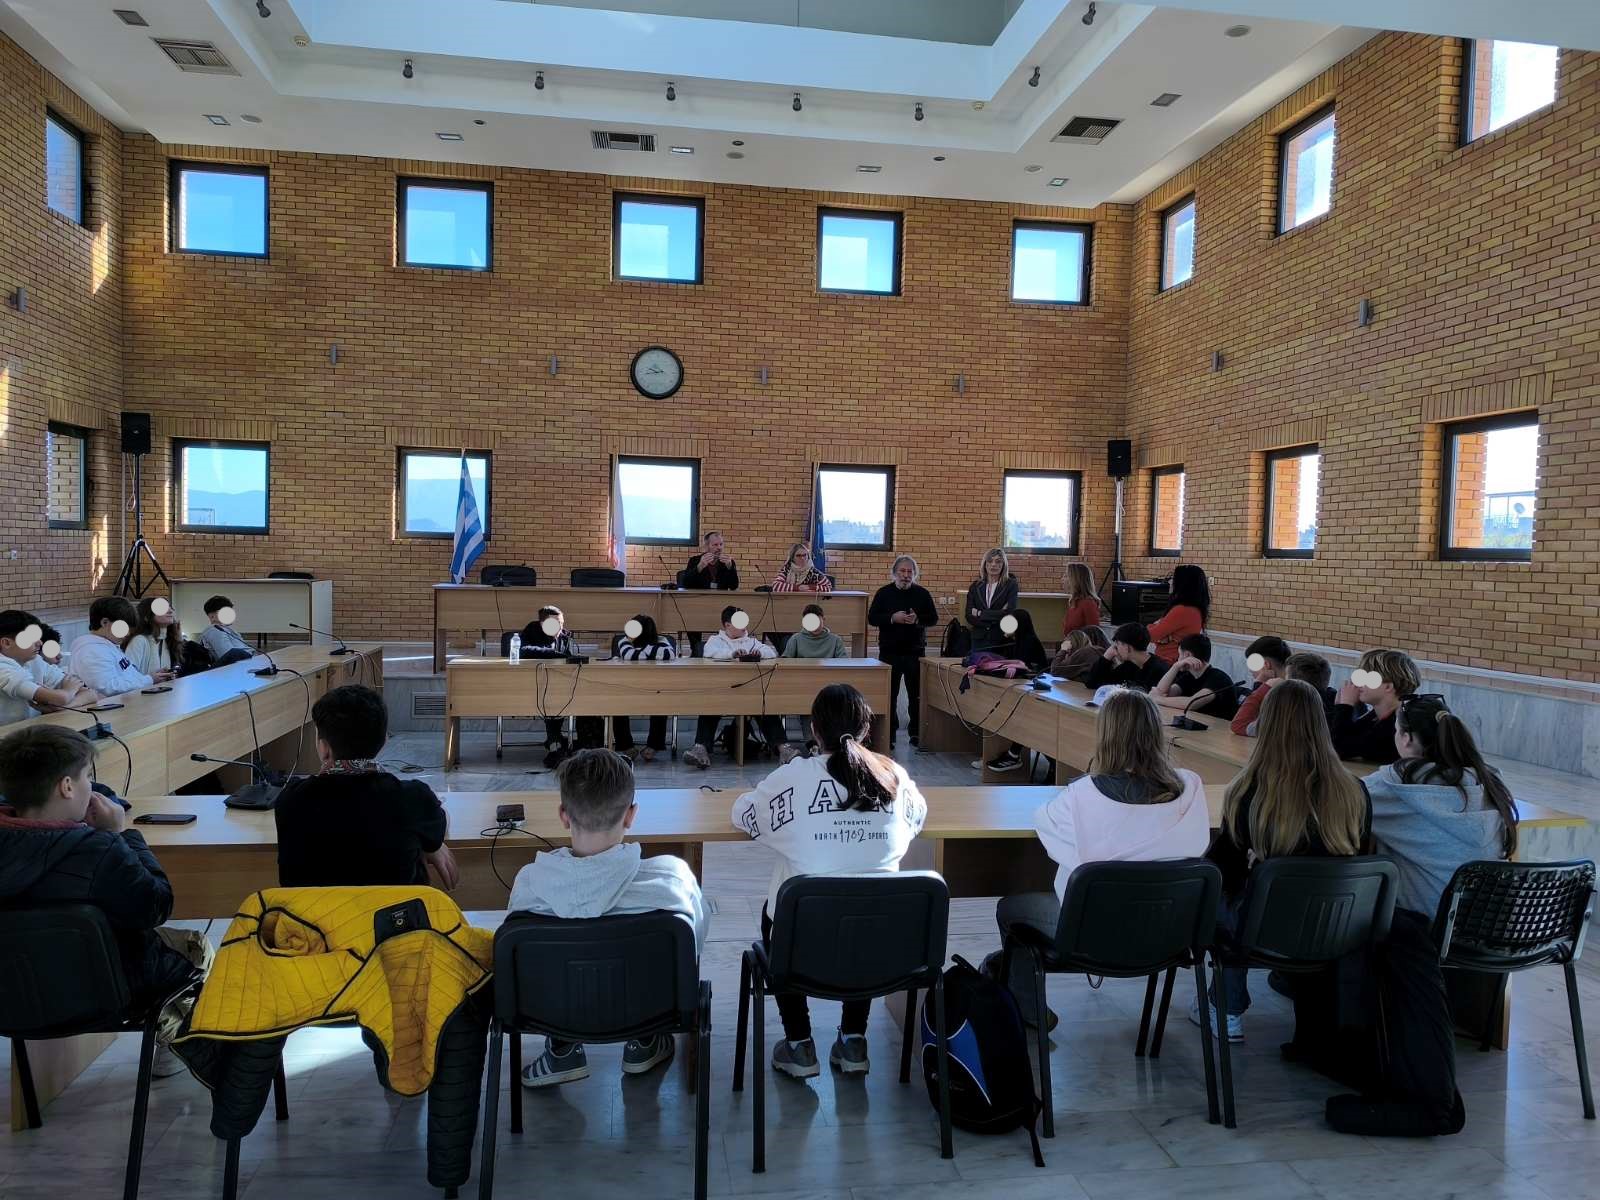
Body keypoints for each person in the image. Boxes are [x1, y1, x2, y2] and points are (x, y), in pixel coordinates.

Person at [732, 684, 927, 1078]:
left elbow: (743, 815)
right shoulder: (894, 775)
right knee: (865, 904)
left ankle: (799, 1043)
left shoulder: (793, 777)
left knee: (786, 898)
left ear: (814, 729)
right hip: (881, 950)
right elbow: (919, 818)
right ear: (867, 729)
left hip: (803, 950)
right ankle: (854, 1039)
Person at [0, 724, 212, 1076]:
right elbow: (156, 906)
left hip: (15, 999)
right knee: (195, 946)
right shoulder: (99, 849)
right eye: (87, 776)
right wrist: (121, 833)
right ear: (67, 787)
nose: (91, 785)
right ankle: (180, 1042)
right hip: (107, 996)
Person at [996, 688, 1209, 1026]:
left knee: (1010, 909)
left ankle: (1025, 1009)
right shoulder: (1191, 789)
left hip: (1093, 931)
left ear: (1105, 735)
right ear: (1157, 732)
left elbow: (1046, 827)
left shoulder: (1081, 796)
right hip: (1171, 932)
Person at [512, 748, 707, 1088]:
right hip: (648, 1007)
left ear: (563, 815)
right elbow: (693, 948)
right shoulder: (673, 881)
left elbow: (523, 965)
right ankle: (645, 1040)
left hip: (553, 1011)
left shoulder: (529, 885)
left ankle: (561, 1049)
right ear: (631, 815)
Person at [1201, 680, 1371, 1040]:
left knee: (1215, 890)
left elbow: (1226, 869)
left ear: (1267, 724)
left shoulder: (1247, 791)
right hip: (1339, 924)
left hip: (1266, 928)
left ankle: (1227, 1007)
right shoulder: (1355, 791)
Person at [274, 684, 458, 891]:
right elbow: (438, 829)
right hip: (391, 912)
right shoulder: (413, 799)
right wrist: (432, 845)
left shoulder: (291, 800)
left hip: (311, 912)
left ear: (324, 748)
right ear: (384, 741)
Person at [1368, 695, 1517, 919]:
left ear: (1406, 738)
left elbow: (1339, 804)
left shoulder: (1393, 784)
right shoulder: (1489, 783)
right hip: (1491, 927)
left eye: (1396, 731)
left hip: (1424, 927)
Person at [684, 605, 782, 770]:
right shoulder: (715, 640)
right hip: (722, 691)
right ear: (727, 625)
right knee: (709, 708)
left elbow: (771, 652)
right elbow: (709, 652)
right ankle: (701, 748)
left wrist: (760, 654)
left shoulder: (751, 641)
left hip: (750, 692)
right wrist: (732, 654)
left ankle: (783, 748)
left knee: (764, 705)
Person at [867, 555, 939, 747]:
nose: (906, 575)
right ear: (894, 573)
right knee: (889, 695)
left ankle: (916, 733)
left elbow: (933, 618)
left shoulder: (922, 593)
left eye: (910, 572)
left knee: (916, 695)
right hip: (889, 651)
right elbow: (872, 618)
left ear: (914, 574)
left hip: (915, 652)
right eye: (902, 571)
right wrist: (892, 618)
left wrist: (918, 619)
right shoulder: (883, 593)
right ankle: (889, 735)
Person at [518, 605, 598, 768]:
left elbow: (569, 661)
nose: (561, 628)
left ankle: (580, 745)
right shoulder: (531, 631)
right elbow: (523, 651)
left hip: (561, 685)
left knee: (582, 696)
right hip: (534, 685)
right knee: (551, 699)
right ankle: (555, 744)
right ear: (542, 624)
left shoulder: (565, 637)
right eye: (556, 624)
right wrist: (555, 654)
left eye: (561, 623)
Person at [0, 609, 96, 724]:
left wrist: (63, 706)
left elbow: (90, 694)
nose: (40, 643)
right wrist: (69, 691)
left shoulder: (34, 660)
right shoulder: (3, 667)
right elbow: (61, 698)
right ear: (6, 643)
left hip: (34, 728)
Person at [1331, 649, 1421, 763]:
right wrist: (1341, 705)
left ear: (1388, 687)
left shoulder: (1397, 725)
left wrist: (1345, 706)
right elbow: (1347, 737)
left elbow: (1338, 749)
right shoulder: (1377, 716)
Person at [69, 596, 170, 695]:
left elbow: (127, 677)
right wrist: (149, 679)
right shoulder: (90, 651)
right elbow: (108, 687)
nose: (127, 634)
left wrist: (152, 677)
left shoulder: (107, 646)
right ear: (105, 622)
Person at [610, 614, 676, 762]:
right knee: (617, 703)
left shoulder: (662, 640)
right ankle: (626, 746)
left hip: (655, 686)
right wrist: (651, 652)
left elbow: (669, 654)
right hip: (627, 685)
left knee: (661, 702)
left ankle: (654, 746)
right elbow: (629, 655)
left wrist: (643, 649)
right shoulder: (624, 640)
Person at [1234, 651, 1336, 736]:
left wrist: (1264, 688)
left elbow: (1239, 725)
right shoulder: (1333, 707)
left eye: (1285, 676)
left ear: (1291, 684)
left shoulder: (1285, 717)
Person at [1151, 633, 1240, 720]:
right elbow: (1162, 692)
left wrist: (1158, 699)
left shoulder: (1218, 678)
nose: (1178, 659)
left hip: (1221, 728)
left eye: (1179, 654)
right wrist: (1175, 667)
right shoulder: (1189, 676)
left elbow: (1191, 703)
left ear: (1187, 655)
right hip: (1199, 724)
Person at [1148, 564, 1210, 664]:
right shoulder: (1195, 609)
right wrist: (1162, 634)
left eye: (1173, 578)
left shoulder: (1182, 610)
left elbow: (1149, 636)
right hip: (1176, 663)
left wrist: (1153, 626)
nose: (1170, 581)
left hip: (1168, 663)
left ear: (1184, 583)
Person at [1229, 636, 1291, 735]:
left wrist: (1259, 685)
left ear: (1266, 665)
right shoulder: (1297, 686)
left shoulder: (1283, 693)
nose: (1250, 670)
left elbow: (1239, 724)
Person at [965, 548, 1020, 652]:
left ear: (1003, 565)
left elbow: (1009, 612)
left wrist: (980, 613)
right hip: (979, 638)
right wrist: (991, 622)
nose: (993, 564)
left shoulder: (1010, 585)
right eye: (990, 561)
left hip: (1000, 638)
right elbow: (969, 615)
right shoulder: (975, 586)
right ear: (985, 564)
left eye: (998, 561)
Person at [1084, 622, 1167, 690]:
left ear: (1127, 647)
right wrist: (1106, 657)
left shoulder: (1160, 671)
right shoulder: (1129, 666)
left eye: (1117, 644)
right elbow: (1092, 683)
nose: (1114, 648)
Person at [125, 597, 183, 679]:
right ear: (147, 616)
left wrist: (179, 640)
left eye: (170, 607)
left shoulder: (166, 640)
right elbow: (127, 676)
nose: (170, 611)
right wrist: (150, 679)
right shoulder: (139, 641)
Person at [197, 595, 254, 665]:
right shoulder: (214, 631)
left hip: (249, 663)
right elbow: (230, 657)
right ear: (212, 616)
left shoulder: (226, 629)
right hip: (243, 667)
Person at [1060, 562, 1104, 639]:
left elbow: (1094, 636)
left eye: (1066, 576)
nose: (1062, 579)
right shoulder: (1074, 602)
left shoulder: (1088, 603)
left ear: (1076, 580)